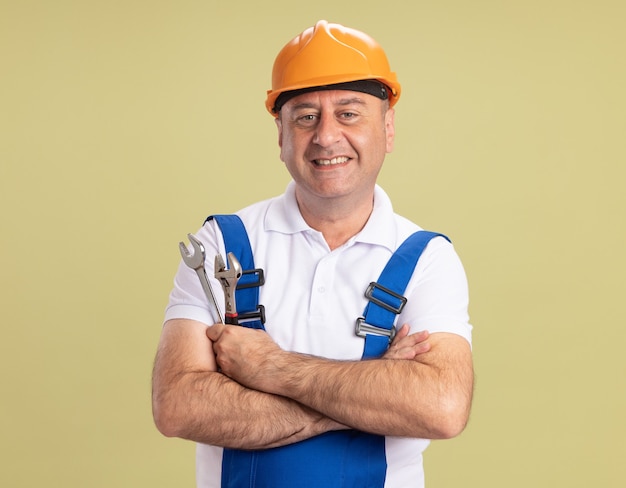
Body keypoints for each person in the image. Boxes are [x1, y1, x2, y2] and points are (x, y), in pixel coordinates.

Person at [152, 19, 474, 488]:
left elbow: (441, 407)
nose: (326, 136)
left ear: (387, 128)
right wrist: (370, 392)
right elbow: (178, 406)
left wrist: (271, 368)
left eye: (349, 113)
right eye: (305, 116)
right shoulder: (220, 245)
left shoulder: (427, 259)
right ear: (280, 134)